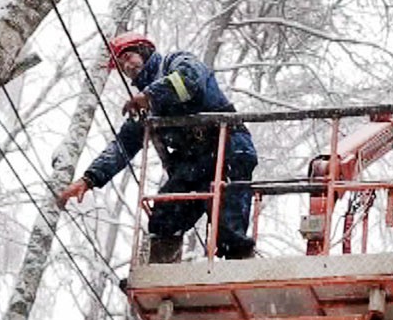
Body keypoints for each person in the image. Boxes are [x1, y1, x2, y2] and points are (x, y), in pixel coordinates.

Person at [58, 32, 258, 263]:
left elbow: (190, 80)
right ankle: (161, 272)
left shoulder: (175, 62)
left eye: (128, 57)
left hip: (229, 145)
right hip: (196, 162)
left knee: (228, 225)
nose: (127, 67)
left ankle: (238, 261)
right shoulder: (144, 108)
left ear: (143, 50)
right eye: (122, 66)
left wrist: (150, 96)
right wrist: (89, 179)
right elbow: (123, 145)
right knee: (164, 214)